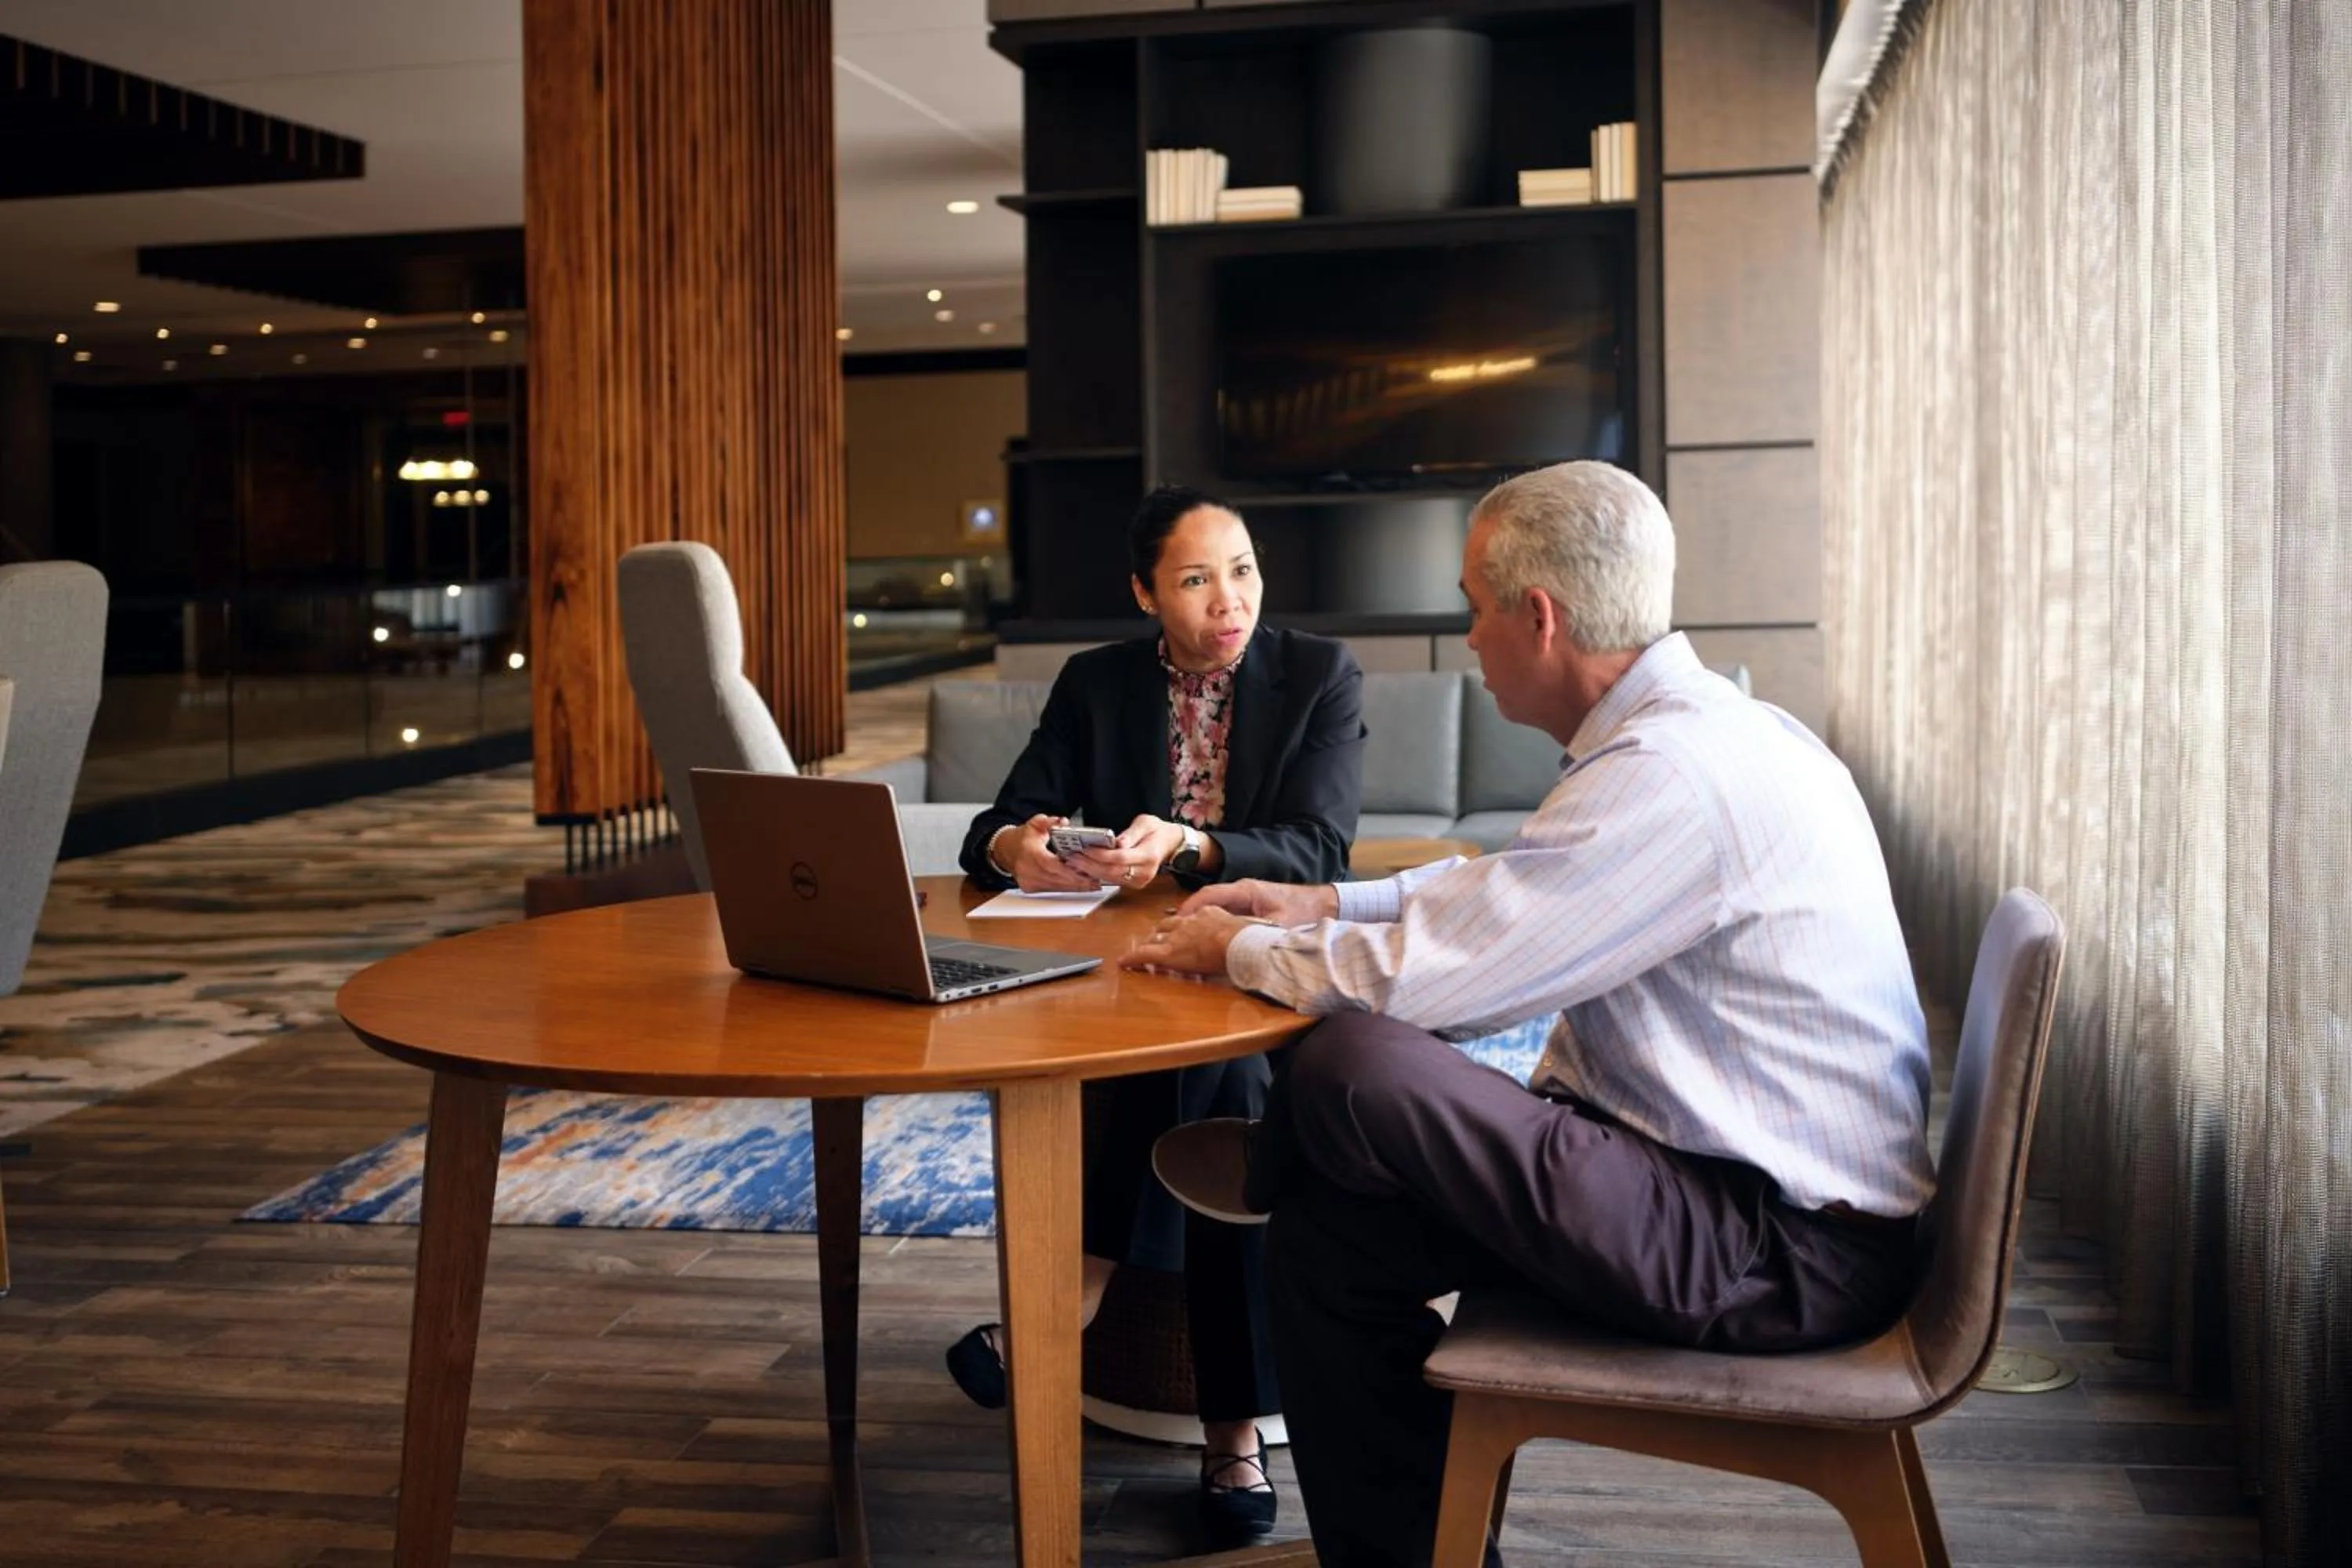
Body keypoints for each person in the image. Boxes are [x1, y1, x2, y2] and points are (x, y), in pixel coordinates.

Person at [1123, 461, 1934, 1568]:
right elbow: (1515, 888)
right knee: (1325, 1240)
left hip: (1773, 1249)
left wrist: (1237, 948)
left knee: (1352, 1060)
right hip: (1705, 1190)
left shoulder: (1674, 775)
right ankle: (1415, 1550)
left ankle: (1277, 1154)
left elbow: (1444, 978)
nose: (1468, 638)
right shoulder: (1691, 737)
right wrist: (1323, 902)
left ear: (1539, 618)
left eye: (1473, 608)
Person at [947, 485, 1367, 1539]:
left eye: (1244, 570)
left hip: (1270, 965)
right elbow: (995, 824)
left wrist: (1190, 846)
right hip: (1134, 971)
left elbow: (1320, 848)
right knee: (1198, 1058)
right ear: (1145, 594)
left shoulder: (1319, 673)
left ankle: (1070, 1306)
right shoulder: (1096, 684)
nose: (1231, 601)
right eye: (1195, 580)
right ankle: (1235, 1435)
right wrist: (1019, 847)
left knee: (1219, 1061)